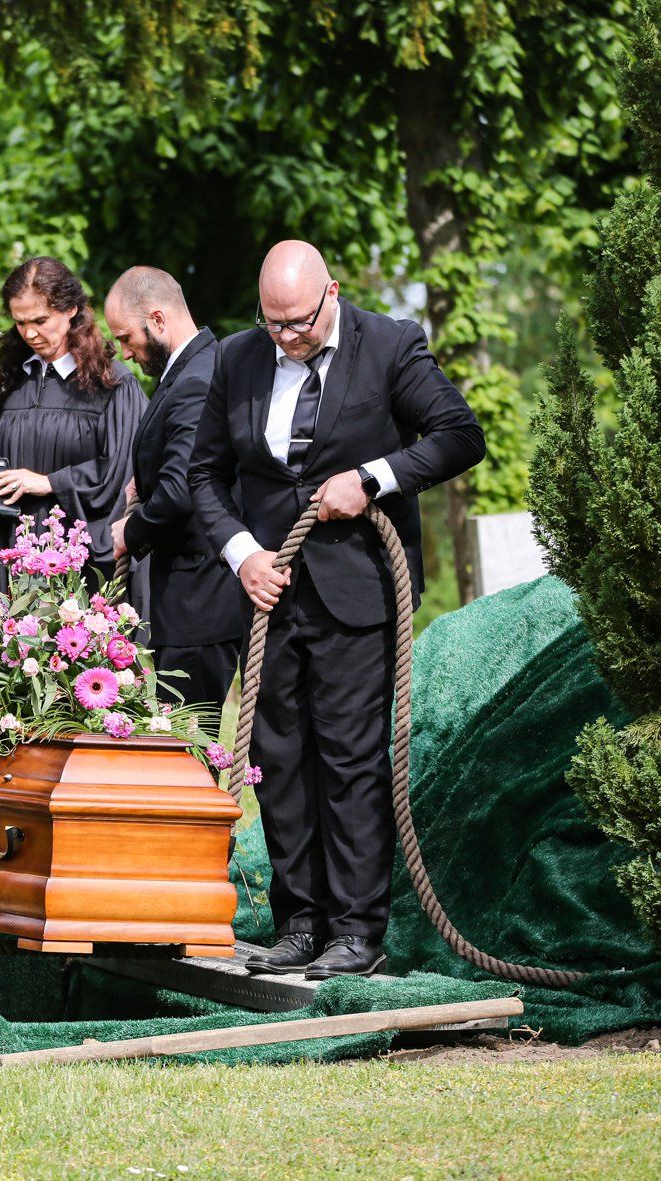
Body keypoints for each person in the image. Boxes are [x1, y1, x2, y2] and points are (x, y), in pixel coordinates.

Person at [189, 240, 484, 979]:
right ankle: (299, 922)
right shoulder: (237, 359)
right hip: (270, 595)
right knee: (278, 760)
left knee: (348, 760)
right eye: (272, 323)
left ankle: (356, 929)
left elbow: (458, 436)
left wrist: (374, 478)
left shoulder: (390, 346)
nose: (285, 338)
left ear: (333, 293)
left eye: (297, 322)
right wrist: (242, 553)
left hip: (357, 593)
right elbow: (203, 475)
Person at [0, 256, 144, 585]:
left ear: (71, 310)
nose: (30, 333)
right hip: (10, 560)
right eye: (20, 322)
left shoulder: (112, 385)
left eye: (41, 320)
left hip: (78, 565)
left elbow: (125, 474)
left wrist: (50, 483)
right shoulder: (8, 388)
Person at [102, 266, 241, 715]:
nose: (124, 353)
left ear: (158, 320)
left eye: (126, 337)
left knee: (189, 745)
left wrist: (130, 531)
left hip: (199, 598)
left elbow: (183, 489)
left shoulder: (197, 379)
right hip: (188, 596)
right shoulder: (192, 368)